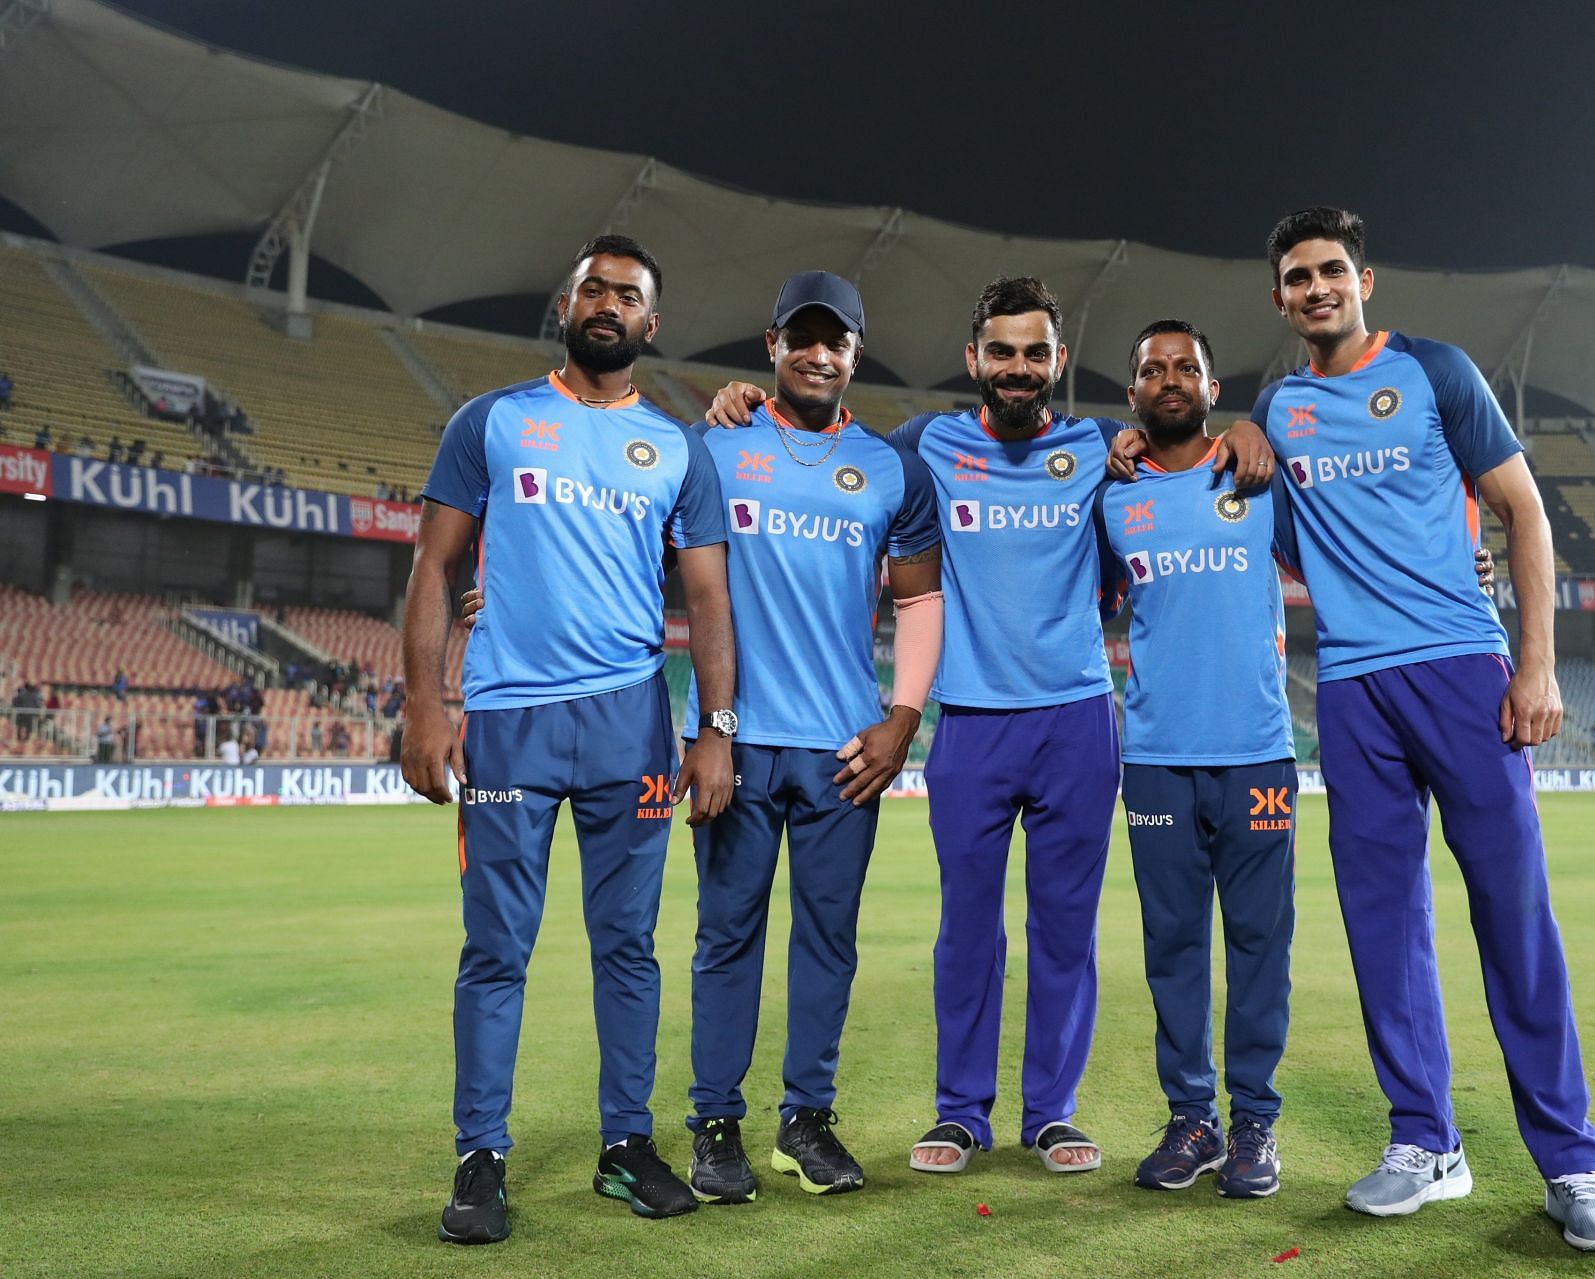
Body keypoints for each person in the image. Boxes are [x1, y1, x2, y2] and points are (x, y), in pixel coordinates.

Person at [1118, 207, 1595, 1252]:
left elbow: (1523, 511)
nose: (1316, 289)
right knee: (1384, 924)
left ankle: (1575, 1161)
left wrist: (1535, 662)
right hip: (1353, 692)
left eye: (1330, 272)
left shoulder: (1438, 371)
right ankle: (1426, 1143)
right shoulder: (1279, 408)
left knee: (1512, 912)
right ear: (1279, 298)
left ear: (1365, 279)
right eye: (1297, 277)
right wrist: (1218, 433)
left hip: (1460, 671)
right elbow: (1285, 533)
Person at [705, 278, 1274, 1176]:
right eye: (1001, 351)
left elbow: (1175, 465)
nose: (1019, 367)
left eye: (1036, 352)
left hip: (1078, 719)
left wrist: (1245, 427)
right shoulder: (921, 446)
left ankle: (1050, 1110)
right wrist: (747, 403)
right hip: (968, 722)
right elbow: (825, 444)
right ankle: (960, 1111)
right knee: (967, 926)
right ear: (974, 360)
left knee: (1065, 928)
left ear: (1056, 364)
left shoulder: (1099, 449)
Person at [463, 270, 945, 1204]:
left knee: (828, 940)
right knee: (724, 936)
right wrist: (507, 599)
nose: (818, 353)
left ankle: (806, 1119)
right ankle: (715, 1127)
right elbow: (617, 540)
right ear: (771, 346)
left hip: (847, 744)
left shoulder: (892, 467)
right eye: (800, 337)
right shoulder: (711, 443)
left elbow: (921, 598)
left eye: (835, 339)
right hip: (737, 738)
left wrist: (901, 717)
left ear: (853, 351)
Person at [403, 234, 736, 1243]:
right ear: (566, 303)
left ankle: (625, 1147)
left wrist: (716, 728)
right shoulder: (492, 421)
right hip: (508, 718)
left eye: (629, 294)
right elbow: (432, 565)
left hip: (631, 718)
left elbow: (711, 599)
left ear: (652, 323)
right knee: (496, 947)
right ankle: (480, 1156)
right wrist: (425, 701)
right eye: (595, 286)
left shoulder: (678, 448)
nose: (609, 303)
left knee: (627, 945)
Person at [1093, 320, 1300, 1200]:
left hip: (1258, 753)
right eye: (1152, 369)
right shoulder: (1112, 495)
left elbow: (1352, 549)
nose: (1169, 378)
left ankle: (1253, 1120)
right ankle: (1192, 1119)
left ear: (1214, 387)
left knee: (1260, 945)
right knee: (1173, 946)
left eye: (1186, 367)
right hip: (1156, 759)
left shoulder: (1261, 474)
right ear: (1132, 394)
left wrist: (1258, 431)